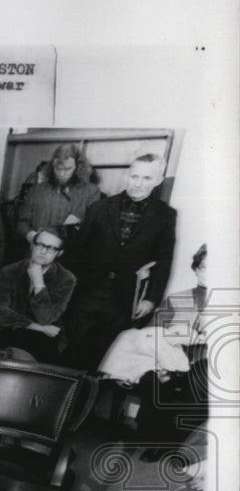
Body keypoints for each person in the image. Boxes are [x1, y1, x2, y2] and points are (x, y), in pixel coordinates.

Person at [63, 153, 177, 370]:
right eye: (134, 176)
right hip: (86, 294)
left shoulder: (165, 215)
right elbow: (76, 252)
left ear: (158, 181)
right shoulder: (99, 208)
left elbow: (164, 260)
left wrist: (151, 299)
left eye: (146, 178)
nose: (138, 183)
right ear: (127, 176)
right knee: (71, 349)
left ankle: (89, 400)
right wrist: (68, 289)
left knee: (103, 356)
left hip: (123, 300)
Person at [98, 245, 209, 460]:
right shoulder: (178, 299)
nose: (209, 274)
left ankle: (174, 442)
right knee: (151, 377)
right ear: (195, 269)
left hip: (204, 363)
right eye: (203, 268)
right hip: (167, 356)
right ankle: (152, 437)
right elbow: (152, 331)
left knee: (198, 380)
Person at [0, 227, 77, 364]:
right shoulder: (10, 271)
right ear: (32, 245)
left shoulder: (66, 278)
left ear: (59, 253)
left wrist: (39, 284)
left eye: (51, 248)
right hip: (6, 331)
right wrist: (36, 326)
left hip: (42, 339)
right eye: (40, 245)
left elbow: (47, 318)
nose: (43, 252)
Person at [15, 144, 101, 251]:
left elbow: (93, 227)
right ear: (52, 166)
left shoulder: (91, 191)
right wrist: (31, 235)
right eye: (58, 169)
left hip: (71, 254)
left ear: (78, 168)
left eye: (68, 169)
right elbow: (22, 222)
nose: (62, 174)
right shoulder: (37, 190)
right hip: (37, 249)